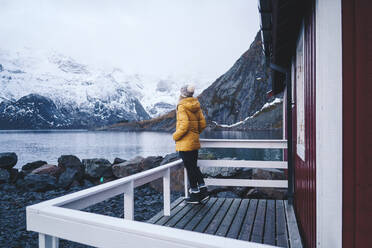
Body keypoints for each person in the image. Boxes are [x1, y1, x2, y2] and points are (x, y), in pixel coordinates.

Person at [173, 85, 209, 204]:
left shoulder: (182, 105)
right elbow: (202, 124)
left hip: (185, 143)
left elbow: (184, 125)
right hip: (193, 141)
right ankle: (203, 191)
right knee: (194, 166)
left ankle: (195, 194)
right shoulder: (196, 104)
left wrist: (175, 136)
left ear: (182, 94)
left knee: (190, 168)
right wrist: (195, 133)